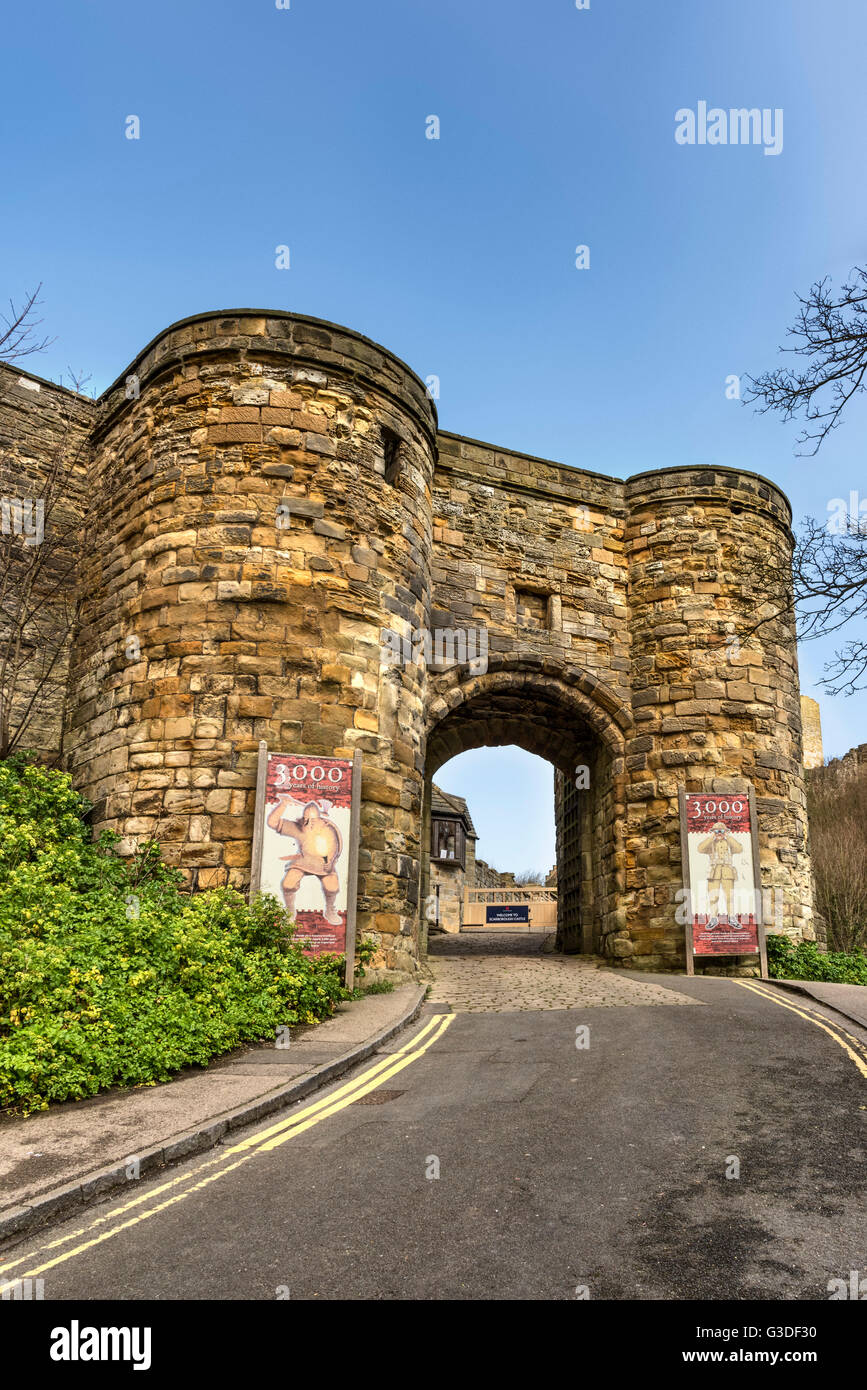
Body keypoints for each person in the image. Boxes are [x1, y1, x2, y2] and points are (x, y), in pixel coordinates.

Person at [266, 797, 343, 926]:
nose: (309, 824)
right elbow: (272, 822)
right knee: (288, 884)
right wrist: (283, 804)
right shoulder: (298, 827)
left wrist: (330, 862)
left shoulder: (328, 828)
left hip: (324, 864)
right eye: (306, 820)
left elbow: (336, 847)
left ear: (319, 819)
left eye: (312, 820)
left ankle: (330, 910)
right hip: (302, 861)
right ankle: (290, 911)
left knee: (332, 887)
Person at [696, 820, 742, 928]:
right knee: (713, 897)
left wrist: (728, 837)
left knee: (729, 897)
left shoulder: (729, 842)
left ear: (725, 832)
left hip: (727, 872)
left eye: (721, 831)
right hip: (714, 873)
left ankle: (731, 918)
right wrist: (712, 837)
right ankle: (713, 918)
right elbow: (700, 849)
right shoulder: (710, 843)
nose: (719, 833)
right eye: (717, 831)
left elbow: (739, 849)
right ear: (713, 832)